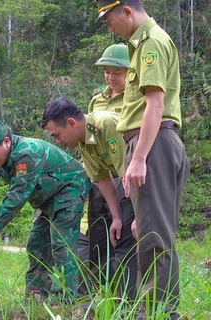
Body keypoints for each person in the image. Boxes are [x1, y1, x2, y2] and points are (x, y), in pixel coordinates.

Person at [96, 0, 190, 318]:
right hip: (156, 143)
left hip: (154, 143)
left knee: (154, 240)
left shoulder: (150, 43)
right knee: (150, 233)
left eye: (110, 20)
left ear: (126, 11)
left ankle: (157, 314)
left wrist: (138, 159)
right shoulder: (142, 45)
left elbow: (154, 104)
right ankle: (153, 311)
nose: (110, 28)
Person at [0, 119, 90, 302]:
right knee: (36, 243)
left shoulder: (27, 153)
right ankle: (37, 296)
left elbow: (15, 199)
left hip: (69, 189)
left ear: (6, 142)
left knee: (61, 243)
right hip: (46, 197)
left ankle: (65, 300)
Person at [42, 97, 137, 299]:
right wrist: (116, 217)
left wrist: (140, 214)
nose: (58, 142)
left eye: (57, 135)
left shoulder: (104, 125)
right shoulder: (83, 143)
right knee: (118, 234)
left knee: (128, 243)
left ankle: (130, 305)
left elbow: (129, 173)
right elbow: (103, 179)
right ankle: (118, 301)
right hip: (128, 182)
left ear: (71, 123)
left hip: (147, 176)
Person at [78, 43, 134, 298]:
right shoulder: (97, 99)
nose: (111, 78)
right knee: (99, 231)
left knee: (124, 233)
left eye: (117, 73)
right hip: (102, 175)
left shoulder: (136, 97)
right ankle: (100, 292)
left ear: (129, 72)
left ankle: (127, 292)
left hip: (127, 172)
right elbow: (89, 137)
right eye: (106, 72)